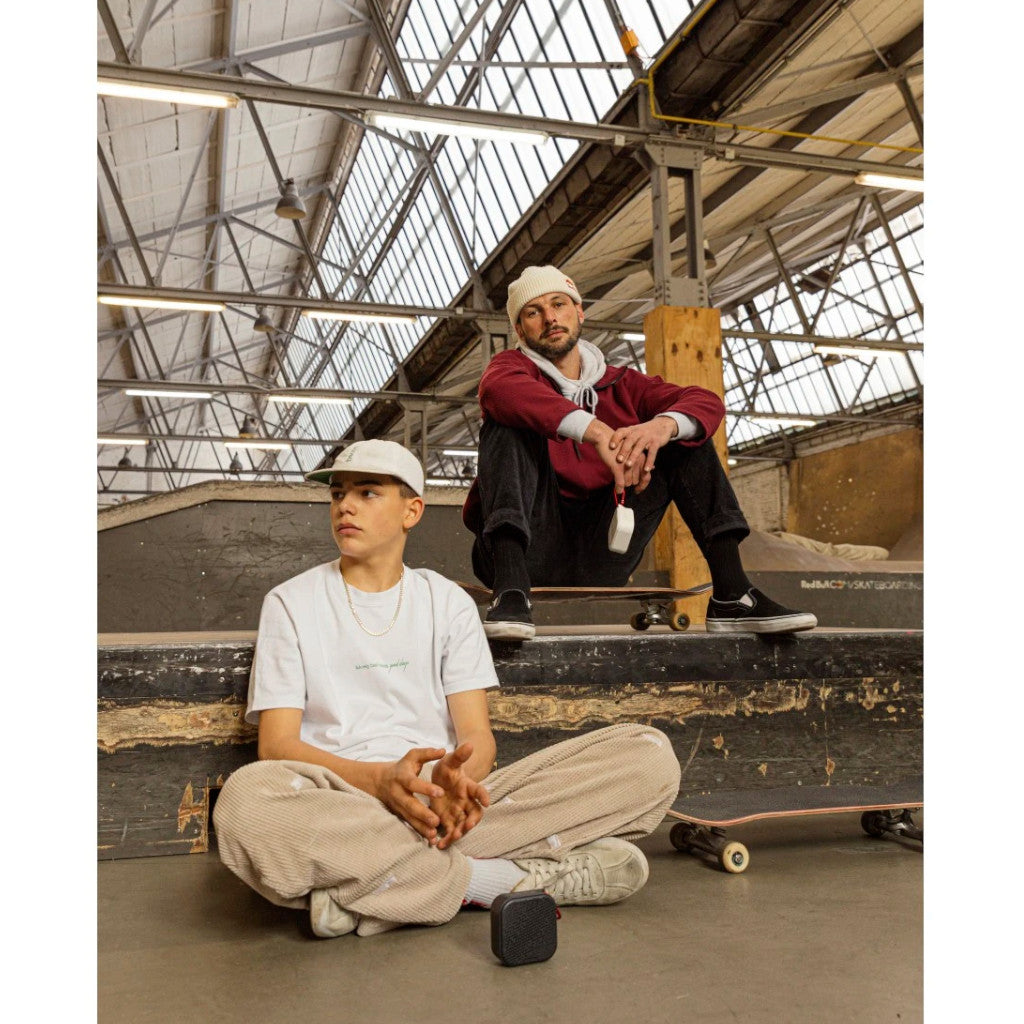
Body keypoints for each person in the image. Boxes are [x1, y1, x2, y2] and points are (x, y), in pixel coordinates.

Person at [213, 439, 681, 938]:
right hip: (343, 797)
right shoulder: (290, 602)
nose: (345, 506)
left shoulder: (446, 601)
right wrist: (380, 783)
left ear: (411, 511)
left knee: (649, 757)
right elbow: (277, 747)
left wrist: (450, 788)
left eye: (367, 492)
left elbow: (478, 738)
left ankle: (368, 886)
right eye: (337, 494)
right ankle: (496, 880)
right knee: (245, 806)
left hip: (438, 801)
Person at [462, 263, 818, 640]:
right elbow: (499, 391)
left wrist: (660, 427)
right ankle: (511, 593)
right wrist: (596, 432)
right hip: (524, 551)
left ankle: (732, 594)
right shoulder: (509, 370)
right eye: (534, 312)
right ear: (520, 330)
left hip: (605, 550)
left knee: (683, 431)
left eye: (559, 304)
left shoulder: (625, 384)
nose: (550, 317)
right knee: (506, 422)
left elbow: (706, 401)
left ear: (579, 312)